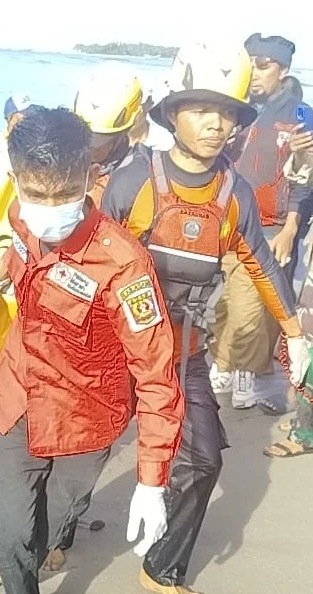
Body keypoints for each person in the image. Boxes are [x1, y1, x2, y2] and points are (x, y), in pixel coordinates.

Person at [100, 41, 310, 593]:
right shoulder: (133, 181)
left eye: (227, 113)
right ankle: (57, 533)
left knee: (204, 459)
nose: (216, 124)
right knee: (85, 450)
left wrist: (295, 334)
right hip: (117, 349)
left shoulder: (234, 194)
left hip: (184, 350)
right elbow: (91, 264)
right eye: (201, 109)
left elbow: (262, 264)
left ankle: (160, 570)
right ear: (173, 113)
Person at [0, 106, 185, 594]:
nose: (49, 208)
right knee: (13, 532)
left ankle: (18, 558)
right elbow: (18, 250)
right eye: (37, 194)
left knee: (55, 523)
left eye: (64, 194)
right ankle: (6, 567)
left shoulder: (124, 266)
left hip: (86, 418)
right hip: (18, 399)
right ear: (16, 182)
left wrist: (152, 481)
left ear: (90, 177)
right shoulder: (22, 217)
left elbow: (156, 375)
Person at [209, 34, 312, 409]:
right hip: (230, 218)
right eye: (249, 64)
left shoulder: (300, 115)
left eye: (263, 66)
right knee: (227, 301)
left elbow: (305, 178)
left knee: (259, 303)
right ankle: (224, 364)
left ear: (282, 70)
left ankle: (249, 378)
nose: (254, 73)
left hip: (273, 224)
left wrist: (290, 229)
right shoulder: (241, 109)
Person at [72, 61, 145, 206]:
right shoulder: (60, 160)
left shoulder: (138, 174)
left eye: (103, 140)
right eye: (85, 138)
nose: (92, 148)